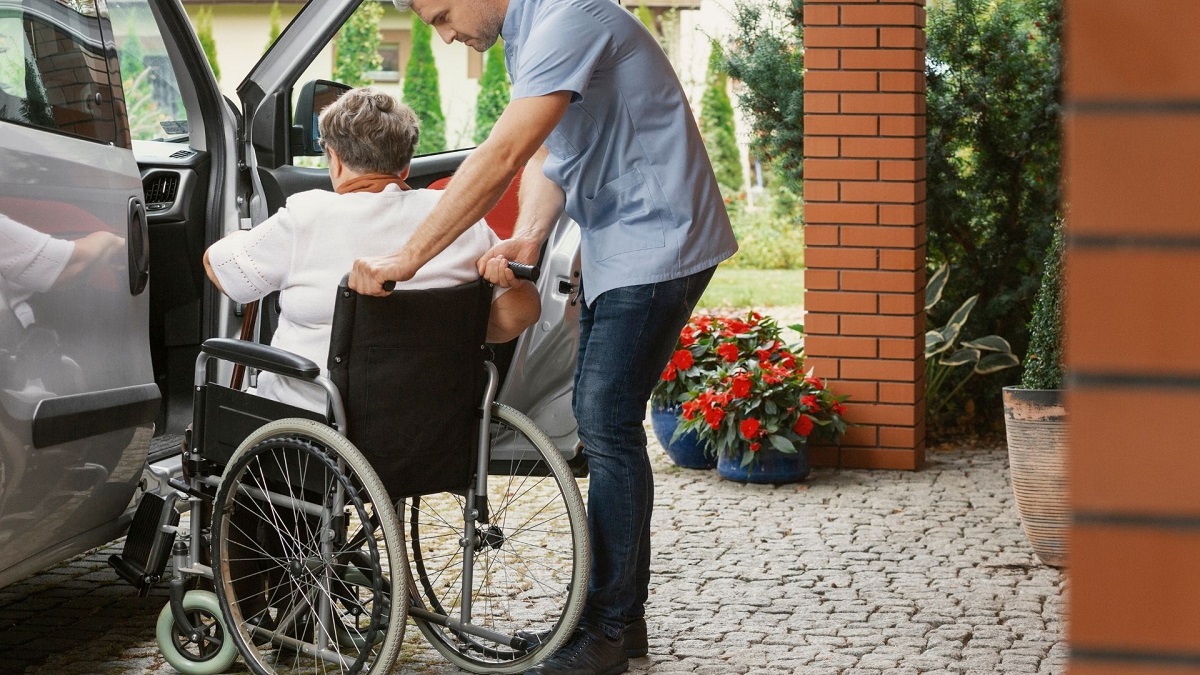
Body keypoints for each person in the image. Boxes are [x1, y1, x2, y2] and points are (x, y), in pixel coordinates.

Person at [348, 1, 738, 673]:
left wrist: (405, 258)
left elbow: (505, 151)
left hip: (658, 239)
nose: (442, 35)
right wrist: (530, 232)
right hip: (624, 238)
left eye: (440, 15)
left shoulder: (567, 17)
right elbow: (552, 154)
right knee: (605, 420)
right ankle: (622, 621)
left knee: (606, 422)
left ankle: (609, 629)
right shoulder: (527, 33)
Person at [204, 87, 541, 413]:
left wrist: (236, 239)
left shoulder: (306, 218)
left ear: (334, 160)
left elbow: (222, 272)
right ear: (405, 166)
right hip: (431, 430)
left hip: (312, 432)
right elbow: (515, 316)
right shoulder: (460, 221)